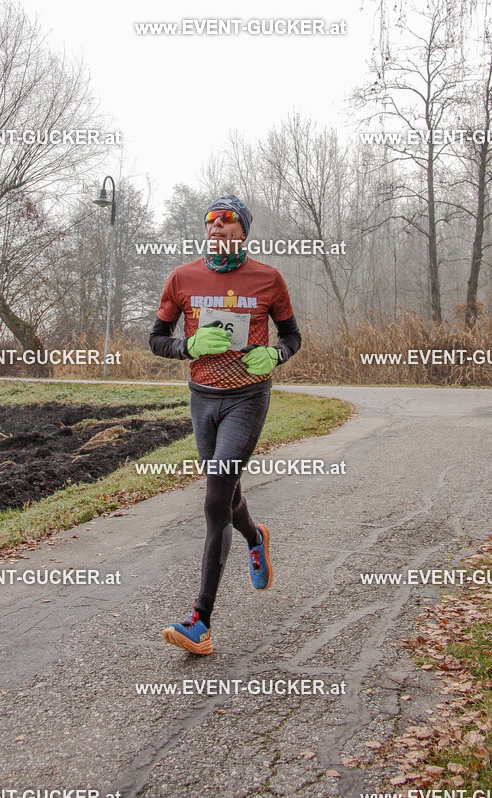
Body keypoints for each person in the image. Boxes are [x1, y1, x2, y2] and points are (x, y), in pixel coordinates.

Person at [149, 195, 301, 654]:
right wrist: (189, 347)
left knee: (215, 500)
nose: (218, 230)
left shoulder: (268, 279)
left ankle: (201, 622)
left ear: (243, 233)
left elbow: (292, 335)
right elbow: (156, 340)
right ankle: (256, 536)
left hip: (248, 399)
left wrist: (276, 353)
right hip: (203, 401)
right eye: (212, 225)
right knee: (227, 493)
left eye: (228, 225)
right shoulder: (182, 278)